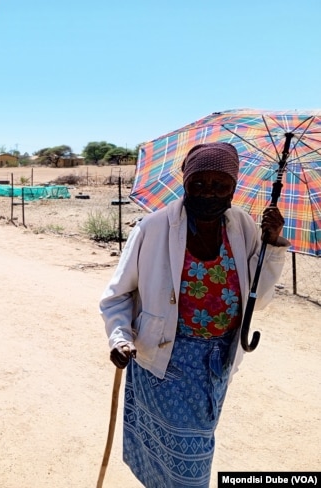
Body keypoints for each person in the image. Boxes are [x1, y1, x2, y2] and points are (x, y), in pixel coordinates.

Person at [99, 142, 289, 488]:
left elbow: (256, 300)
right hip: (161, 363)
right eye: (199, 184)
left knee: (195, 443)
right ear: (184, 183)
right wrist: (120, 337)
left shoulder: (243, 228)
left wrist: (271, 243)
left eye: (221, 186)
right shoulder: (153, 228)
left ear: (234, 188)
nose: (209, 193)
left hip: (216, 365)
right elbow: (118, 295)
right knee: (182, 460)